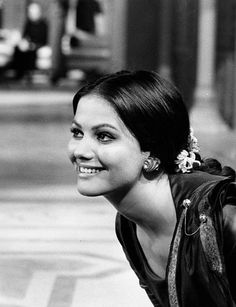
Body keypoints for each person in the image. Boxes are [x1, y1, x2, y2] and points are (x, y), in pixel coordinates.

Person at [67, 70, 236, 307]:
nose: (80, 151)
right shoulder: (128, 224)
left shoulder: (222, 215)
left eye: (104, 136)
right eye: (77, 132)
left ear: (153, 153)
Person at [11, 2, 48, 79]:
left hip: (38, 45)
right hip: (29, 44)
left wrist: (32, 45)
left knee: (30, 52)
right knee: (18, 49)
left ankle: (28, 72)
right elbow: (25, 36)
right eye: (30, 12)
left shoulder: (43, 24)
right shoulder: (28, 23)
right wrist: (24, 43)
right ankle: (18, 73)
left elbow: (43, 40)